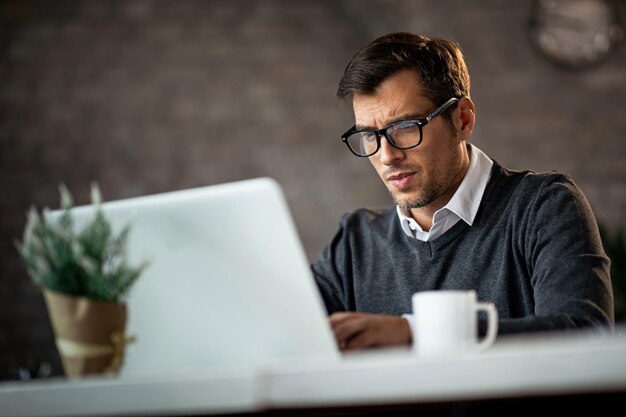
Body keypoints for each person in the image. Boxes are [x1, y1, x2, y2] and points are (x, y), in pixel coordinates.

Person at [312, 32, 614, 351]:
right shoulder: (354, 243)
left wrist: (414, 333)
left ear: (463, 120)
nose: (387, 156)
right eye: (369, 136)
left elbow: (584, 334)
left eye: (405, 128)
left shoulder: (544, 205)